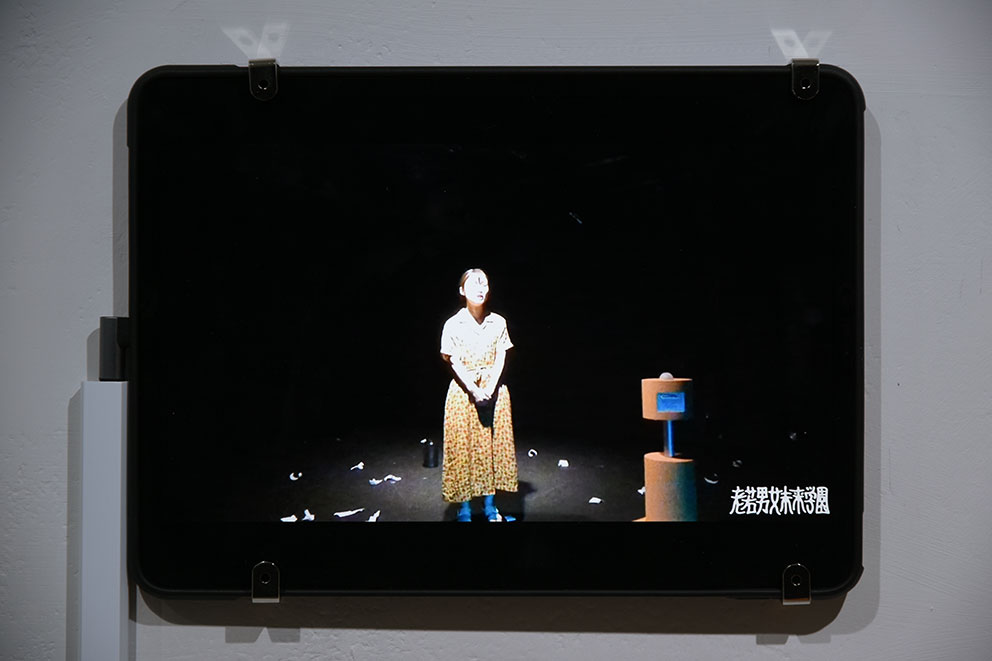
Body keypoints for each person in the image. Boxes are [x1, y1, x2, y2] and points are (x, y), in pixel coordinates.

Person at [439, 268, 518, 521]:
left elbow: (501, 355)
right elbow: (453, 361)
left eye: (484, 283)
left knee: (492, 448)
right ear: (462, 291)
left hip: (494, 390)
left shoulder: (498, 322)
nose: (480, 289)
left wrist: (490, 387)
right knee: (463, 449)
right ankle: (464, 508)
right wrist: (474, 390)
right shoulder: (453, 324)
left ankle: (490, 506)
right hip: (464, 392)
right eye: (474, 284)